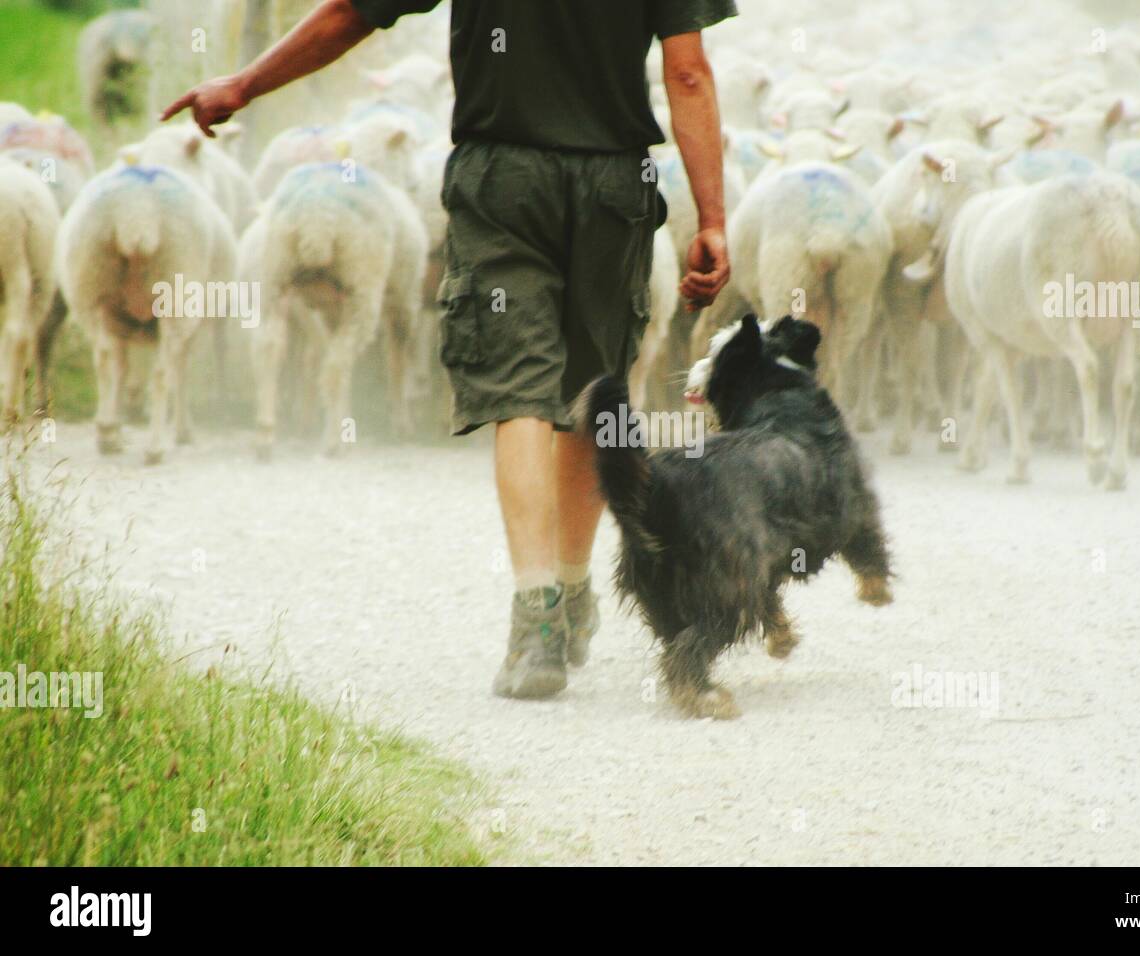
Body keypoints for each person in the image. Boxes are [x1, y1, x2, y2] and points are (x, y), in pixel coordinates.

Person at [162, 0, 735, 700]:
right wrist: (712, 219)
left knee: (516, 393)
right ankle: (573, 584)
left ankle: (537, 623)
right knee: (594, 394)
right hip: (612, 188)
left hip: (502, 182)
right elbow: (688, 75)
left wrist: (242, 86)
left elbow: (351, 13)